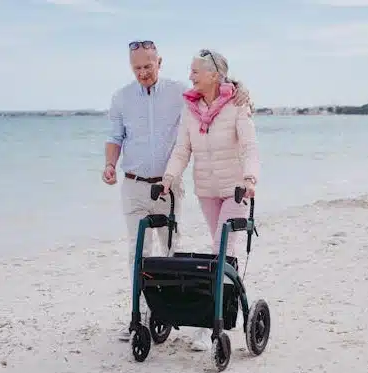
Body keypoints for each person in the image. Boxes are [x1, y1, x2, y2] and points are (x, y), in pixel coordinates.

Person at [102, 40, 252, 342]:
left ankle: (177, 310)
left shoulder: (179, 92)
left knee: (172, 251)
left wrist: (240, 87)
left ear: (159, 62)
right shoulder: (121, 98)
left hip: (169, 187)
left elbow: (216, 86)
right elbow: (115, 137)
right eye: (137, 68)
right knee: (138, 251)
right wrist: (109, 165)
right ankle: (142, 314)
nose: (143, 72)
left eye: (147, 66)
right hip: (133, 183)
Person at [160, 49, 260, 351]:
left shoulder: (237, 106)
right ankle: (223, 306)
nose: (190, 76)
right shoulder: (190, 109)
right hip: (207, 190)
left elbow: (250, 147)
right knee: (220, 252)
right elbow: (181, 150)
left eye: (195, 71)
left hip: (235, 190)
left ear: (214, 75)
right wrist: (168, 178)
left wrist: (250, 179)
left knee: (221, 249)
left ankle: (210, 323)